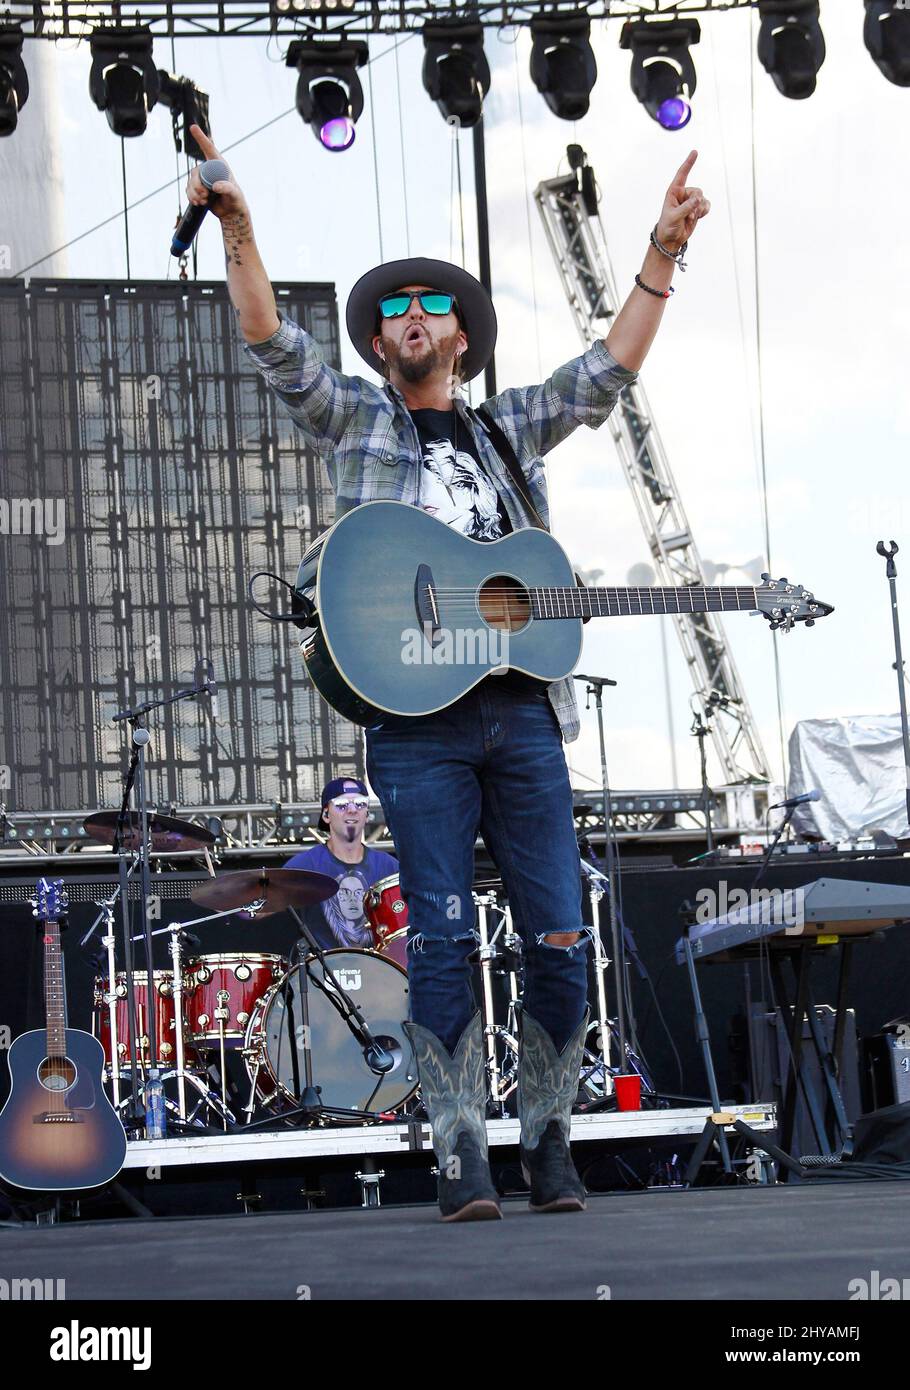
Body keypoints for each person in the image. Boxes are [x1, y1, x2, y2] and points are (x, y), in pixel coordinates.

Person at [185, 123, 710, 1221]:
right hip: (413, 724)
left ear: (460, 339)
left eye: (428, 306)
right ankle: (461, 1148)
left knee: (560, 932)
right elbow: (272, 341)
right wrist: (239, 227)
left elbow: (603, 371)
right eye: (390, 312)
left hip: (520, 717)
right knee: (437, 932)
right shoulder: (361, 419)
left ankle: (551, 1139)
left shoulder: (508, 432)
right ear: (381, 348)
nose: (408, 318)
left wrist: (658, 255)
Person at [284, 776, 398, 951]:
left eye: (360, 804)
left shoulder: (389, 866)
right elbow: (261, 906)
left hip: (380, 970)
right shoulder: (306, 865)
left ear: (367, 814)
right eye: (342, 805)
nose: (352, 810)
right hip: (323, 972)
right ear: (326, 815)